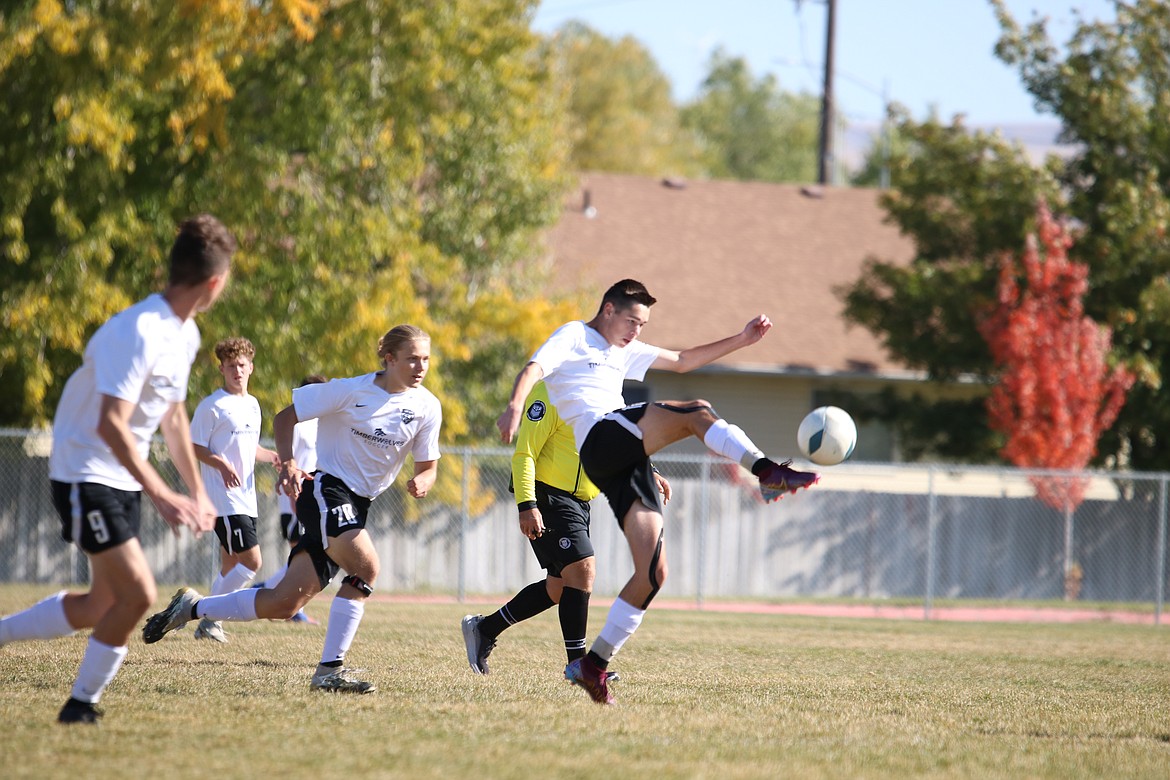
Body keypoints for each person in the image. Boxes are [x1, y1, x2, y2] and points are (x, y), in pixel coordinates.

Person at [496, 279, 819, 705]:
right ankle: (765, 471)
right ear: (608, 310)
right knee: (696, 411)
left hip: (615, 461)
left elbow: (683, 360)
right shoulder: (575, 336)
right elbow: (534, 368)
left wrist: (742, 339)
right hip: (597, 437)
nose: (636, 331)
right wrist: (516, 406)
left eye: (643, 324)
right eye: (632, 320)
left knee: (653, 573)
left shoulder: (623, 350)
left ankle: (594, 665)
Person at [0, 214, 235, 724]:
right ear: (215, 283)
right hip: (85, 471)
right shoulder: (139, 331)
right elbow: (111, 424)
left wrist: (196, 491)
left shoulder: (185, 334)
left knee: (99, 605)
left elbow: (172, 416)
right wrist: (163, 495)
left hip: (122, 476)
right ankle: (80, 706)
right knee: (138, 594)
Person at [142, 325, 442, 695]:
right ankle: (329, 671)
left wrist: (425, 480)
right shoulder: (350, 390)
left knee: (283, 602)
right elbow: (286, 418)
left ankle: (191, 608)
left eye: (426, 359)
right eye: (412, 358)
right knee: (367, 568)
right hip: (327, 489)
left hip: (359, 504)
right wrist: (286, 463)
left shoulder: (427, 406)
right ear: (390, 358)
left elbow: (427, 465)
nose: (421, 366)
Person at [462, 381, 670, 679]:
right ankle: (580, 664)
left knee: (558, 587)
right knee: (583, 570)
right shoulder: (550, 392)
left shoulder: (607, 394)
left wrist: (651, 470)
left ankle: (485, 628)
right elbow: (525, 454)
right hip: (546, 495)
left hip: (580, 501)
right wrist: (526, 504)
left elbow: (621, 442)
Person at [188, 337, 281, 642]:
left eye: (242, 365)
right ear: (222, 369)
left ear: (251, 367)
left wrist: (274, 457)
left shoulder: (252, 405)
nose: (237, 371)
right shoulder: (212, 406)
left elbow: (248, 447)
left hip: (246, 497)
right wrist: (221, 465)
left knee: (230, 564)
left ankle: (208, 622)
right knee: (253, 562)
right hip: (224, 500)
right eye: (231, 366)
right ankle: (205, 613)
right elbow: (194, 448)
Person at [253, 374, 327, 626]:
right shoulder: (298, 425)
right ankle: (274, 596)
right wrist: (293, 497)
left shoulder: (322, 425)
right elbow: (288, 462)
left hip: (315, 499)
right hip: (295, 499)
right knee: (300, 552)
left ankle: (268, 590)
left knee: (307, 553)